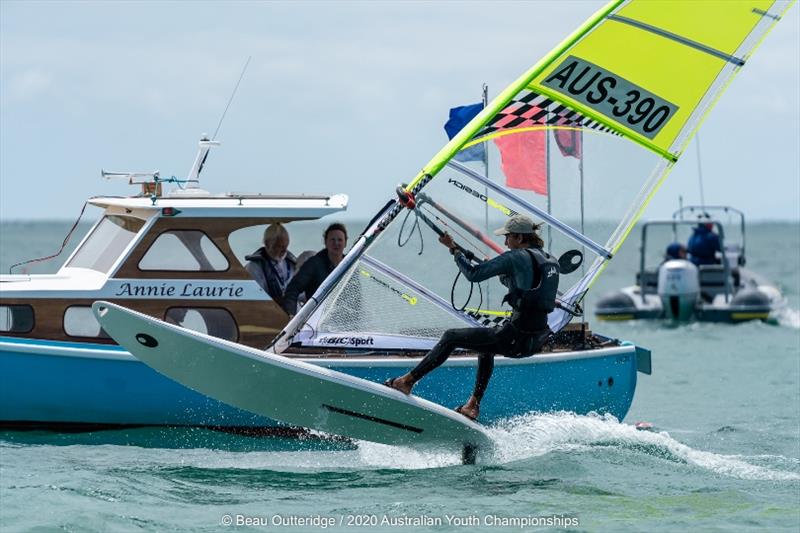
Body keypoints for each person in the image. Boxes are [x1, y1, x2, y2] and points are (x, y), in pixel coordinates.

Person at [384, 215, 558, 422]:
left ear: (520, 238)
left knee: (451, 337)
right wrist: (494, 268)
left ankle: (407, 381)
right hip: (535, 341)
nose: (505, 243)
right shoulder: (549, 260)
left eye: (508, 237)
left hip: (515, 336)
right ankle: (472, 406)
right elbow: (521, 286)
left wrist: (455, 252)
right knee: (486, 346)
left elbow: (474, 274)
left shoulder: (515, 256)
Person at [282, 222, 348, 316]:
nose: (336, 243)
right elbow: (292, 290)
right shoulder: (314, 264)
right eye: (332, 240)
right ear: (325, 242)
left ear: (345, 243)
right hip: (315, 323)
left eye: (340, 240)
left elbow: (356, 299)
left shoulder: (350, 266)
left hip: (341, 322)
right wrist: (290, 315)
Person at [245, 223, 297, 306]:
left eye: (285, 247)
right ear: (267, 244)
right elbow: (255, 298)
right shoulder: (254, 267)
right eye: (279, 246)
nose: (284, 251)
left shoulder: (292, 263)